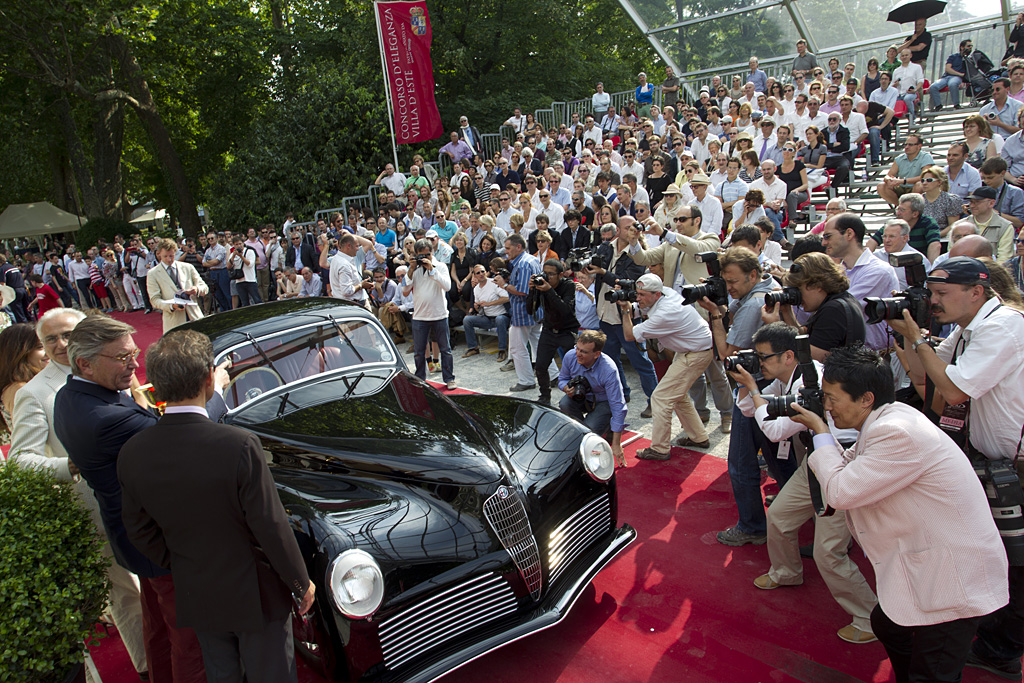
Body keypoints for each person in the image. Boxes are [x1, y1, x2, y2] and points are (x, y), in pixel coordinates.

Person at [793, 346, 1008, 683]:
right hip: (929, 566)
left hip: (952, 578)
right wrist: (822, 436)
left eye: (832, 398)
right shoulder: (886, 420)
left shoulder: (896, 431)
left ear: (865, 398)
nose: (828, 406)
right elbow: (847, 471)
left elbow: (841, 491)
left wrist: (821, 433)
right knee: (886, 625)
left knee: (934, 673)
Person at [118, 330, 314, 683]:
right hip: (256, 590)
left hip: (197, 586)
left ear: (156, 388)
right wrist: (301, 583)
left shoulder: (133, 452)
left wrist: (184, 561)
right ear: (210, 379)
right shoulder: (238, 445)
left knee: (221, 673)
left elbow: (139, 530)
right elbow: (270, 524)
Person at [54, 316, 229, 683]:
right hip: (160, 538)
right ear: (84, 363)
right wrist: (215, 392)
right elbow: (185, 437)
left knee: (160, 626)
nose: (134, 365)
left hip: (134, 536)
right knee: (190, 637)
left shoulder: (70, 397)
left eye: (134, 354)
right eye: (121, 357)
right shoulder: (104, 418)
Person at [885, 256, 1024, 680]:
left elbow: (955, 390)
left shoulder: (1004, 326)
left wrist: (919, 338)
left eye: (942, 294)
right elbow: (924, 378)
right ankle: (994, 638)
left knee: (1017, 566)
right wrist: (904, 333)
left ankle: (1003, 647)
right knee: (1000, 556)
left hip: (1017, 468)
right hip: (992, 463)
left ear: (977, 292)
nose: (935, 302)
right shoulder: (969, 329)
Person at [8, 308, 148, 677]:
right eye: (50, 339)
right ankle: (146, 664)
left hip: (137, 499)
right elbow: (20, 460)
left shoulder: (108, 366)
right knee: (126, 594)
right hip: (91, 506)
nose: (60, 345)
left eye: (68, 334)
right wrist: (70, 465)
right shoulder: (34, 394)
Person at [729, 323, 878, 644]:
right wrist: (747, 386)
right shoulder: (788, 377)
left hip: (843, 463)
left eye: (763, 358)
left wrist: (755, 390)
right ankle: (787, 572)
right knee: (780, 517)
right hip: (815, 459)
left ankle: (870, 616)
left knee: (828, 552)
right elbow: (747, 410)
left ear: (787, 356)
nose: (760, 364)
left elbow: (772, 430)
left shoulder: (812, 382)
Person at [697, 247, 794, 546]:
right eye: (725, 283)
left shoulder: (753, 304)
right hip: (773, 386)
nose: (729, 289)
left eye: (733, 281)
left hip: (754, 390)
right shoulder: (769, 289)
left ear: (753, 274)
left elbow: (727, 353)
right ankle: (800, 506)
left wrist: (715, 314)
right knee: (779, 455)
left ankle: (752, 526)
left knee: (741, 461)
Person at [620, 274, 713, 459]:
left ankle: (660, 449)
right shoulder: (667, 292)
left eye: (642, 295)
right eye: (636, 294)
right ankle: (699, 437)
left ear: (656, 294)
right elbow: (640, 309)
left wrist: (624, 311)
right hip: (691, 349)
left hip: (695, 353)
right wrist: (634, 307)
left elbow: (629, 335)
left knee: (661, 398)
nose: (638, 298)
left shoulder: (666, 313)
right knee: (677, 396)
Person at [591, 217, 658, 417]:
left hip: (626, 315)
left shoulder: (638, 255)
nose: (632, 231)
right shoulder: (605, 247)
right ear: (618, 230)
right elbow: (596, 269)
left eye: (634, 228)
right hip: (605, 312)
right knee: (611, 360)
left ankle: (654, 401)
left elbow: (630, 282)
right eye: (627, 228)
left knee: (641, 362)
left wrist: (603, 272)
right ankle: (623, 393)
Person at [765, 251, 867, 360]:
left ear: (817, 285)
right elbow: (802, 338)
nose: (797, 296)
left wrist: (776, 328)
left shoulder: (834, 309)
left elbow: (814, 356)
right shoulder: (841, 300)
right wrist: (787, 311)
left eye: (798, 289)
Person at [556, 329, 625, 463]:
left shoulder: (608, 369)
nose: (578, 354)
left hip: (603, 402)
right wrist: (566, 388)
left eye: (584, 352)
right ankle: (582, 433)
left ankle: (601, 428)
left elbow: (618, 406)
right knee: (564, 403)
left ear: (596, 354)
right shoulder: (571, 356)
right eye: (578, 348)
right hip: (581, 397)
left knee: (587, 434)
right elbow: (562, 379)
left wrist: (617, 443)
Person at [402, 238, 455, 390]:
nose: (425, 258)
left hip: (439, 315)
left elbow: (447, 286)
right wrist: (411, 269)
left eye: (428, 254)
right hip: (420, 316)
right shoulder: (413, 269)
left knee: (446, 350)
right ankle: (419, 379)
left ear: (432, 252)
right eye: (421, 255)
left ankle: (449, 378)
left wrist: (432, 269)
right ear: (416, 254)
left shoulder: (441, 266)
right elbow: (405, 291)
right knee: (419, 352)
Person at [526, 258, 578, 405]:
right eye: (545, 273)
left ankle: (575, 395)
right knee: (541, 366)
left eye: (551, 274)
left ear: (561, 275)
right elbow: (530, 310)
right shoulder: (541, 285)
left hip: (567, 330)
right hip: (549, 330)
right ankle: (544, 395)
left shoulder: (568, 285)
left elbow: (564, 310)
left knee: (574, 367)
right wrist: (531, 291)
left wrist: (549, 290)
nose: (547, 277)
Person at [499, 233, 547, 390]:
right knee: (539, 345)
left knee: (517, 348)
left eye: (508, 248)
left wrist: (504, 285)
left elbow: (523, 290)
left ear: (518, 247)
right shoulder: (531, 259)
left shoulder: (523, 264)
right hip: (533, 310)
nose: (506, 251)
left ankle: (526, 381)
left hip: (523, 312)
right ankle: (552, 376)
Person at [147, 238, 208, 333]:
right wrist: (171, 306)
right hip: (174, 321)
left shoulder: (187, 267)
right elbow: (154, 300)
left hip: (194, 316)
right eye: (165, 256)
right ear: (158, 254)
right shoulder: (153, 273)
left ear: (175, 252)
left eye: (171, 256)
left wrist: (196, 289)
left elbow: (204, 287)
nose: (169, 259)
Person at [868, 192, 942, 263]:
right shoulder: (894, 224)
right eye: (898, 209)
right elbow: (872, 241)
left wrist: (931, 269)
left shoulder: (928, 223)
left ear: (915, 214)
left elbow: (935, 245)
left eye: (902, 210)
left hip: (918, 262)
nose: (897, 213)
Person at [461, 264, 510, 361]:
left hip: (502, 316)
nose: (481, 274)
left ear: (486, 272)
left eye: (483, 271)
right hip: (487, 317)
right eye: (478, 273)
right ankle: (473, 348)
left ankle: (502, 350)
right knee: (467, 320)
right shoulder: (476, 289)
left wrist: (489, 303)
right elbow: (481, 310)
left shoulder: (494, 282)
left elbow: (507, 298)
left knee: (499, 319)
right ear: (474, 276)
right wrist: (477, 307)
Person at [964, 185, 1016, 260]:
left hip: (991, 270)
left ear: (991, 203)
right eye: (971, 202)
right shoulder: (961, 224)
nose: (972, 206)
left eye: (977, 202)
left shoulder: (1005, 227)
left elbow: (1004, 259)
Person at [327, 232, 374, 307]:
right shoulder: (344, 264)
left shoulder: (336, 259)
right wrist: (361, 285)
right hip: (352, 305)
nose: (358, 249)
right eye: (357, 246)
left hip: (347, 304)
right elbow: (347, 291)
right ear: (348, 246)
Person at [930, 39, 972, 110]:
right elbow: (948, 69)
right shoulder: (953, 57)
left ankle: (956, 104)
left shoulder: (969, 59)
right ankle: (938, 105)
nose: (970, 48)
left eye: (971, 46)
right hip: (947, 77)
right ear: (962, 47)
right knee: (933, 87)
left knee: (952, 84)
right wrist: (960, 74)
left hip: (957, 78)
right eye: (968, 46)